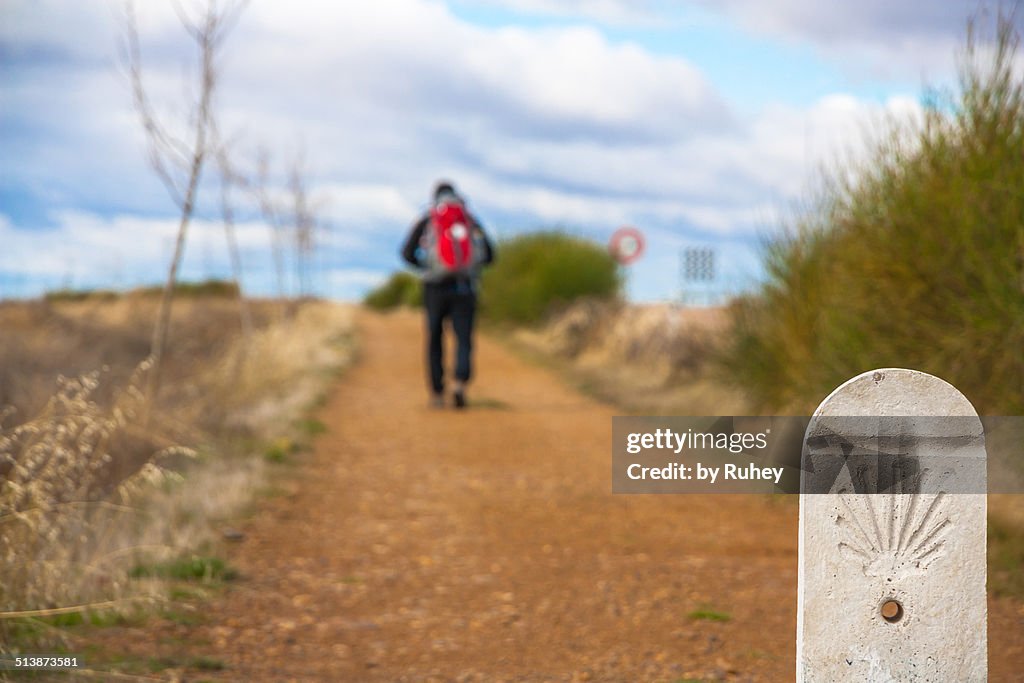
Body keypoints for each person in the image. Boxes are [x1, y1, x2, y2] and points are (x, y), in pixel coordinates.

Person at [401, 180, 495, 409]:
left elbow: (406, 253)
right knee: (463, 338)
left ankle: (437, 393)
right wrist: (471, 270)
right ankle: (460, 383)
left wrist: (426, 267)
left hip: (434, 287)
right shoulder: (470, 220)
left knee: (435, 339)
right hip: (465, 287)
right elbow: (490, 255)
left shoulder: (428, 219)